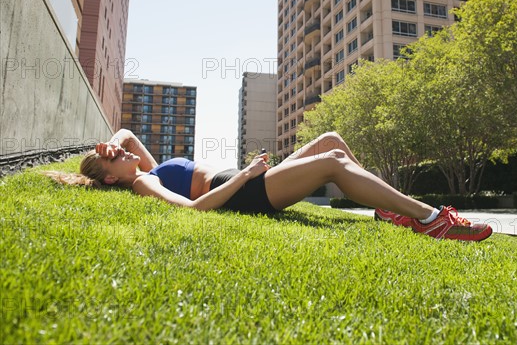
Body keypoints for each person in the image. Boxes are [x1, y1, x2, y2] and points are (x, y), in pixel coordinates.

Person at [48, 129, 492, 241]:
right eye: (118, 159)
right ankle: (431, 219)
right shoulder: (143, 183)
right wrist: (244, 175)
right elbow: (192, 211)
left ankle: (388, 209)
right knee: (333, 161)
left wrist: (113, 143)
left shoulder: (143, 165)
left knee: (331, 139)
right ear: (111, 179)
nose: (127, 153)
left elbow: (125, 134)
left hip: (241, 181)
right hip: (240, 193)